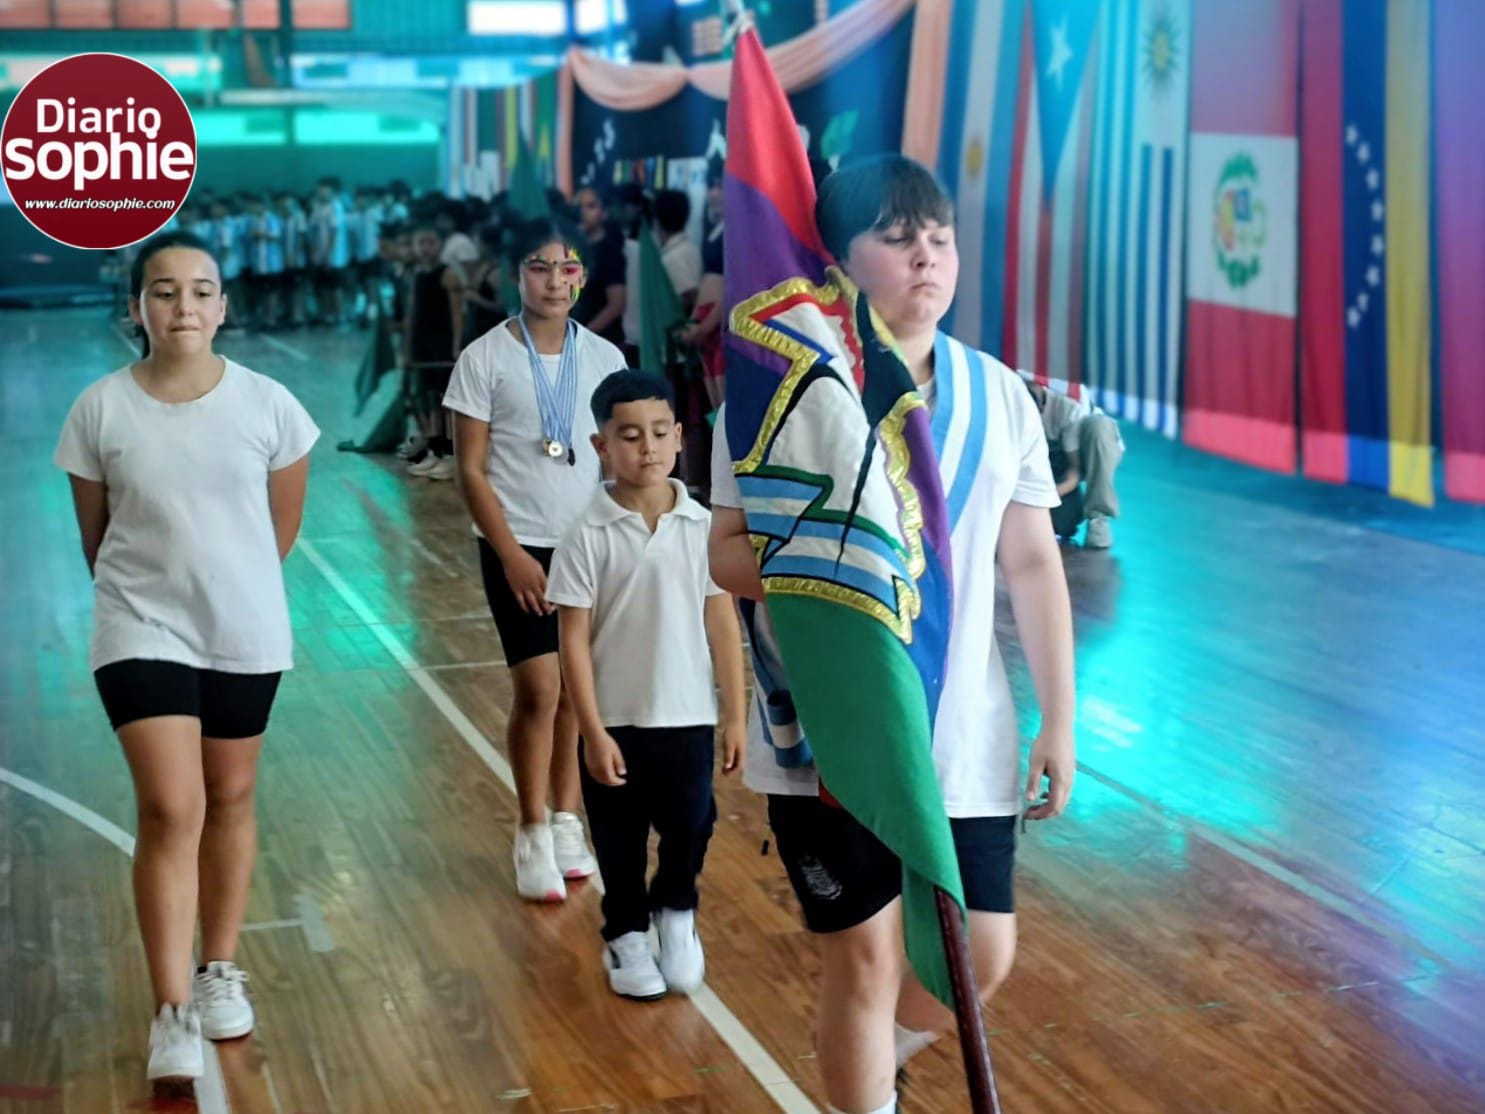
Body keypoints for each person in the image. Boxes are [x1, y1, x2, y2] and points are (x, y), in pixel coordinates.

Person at [709, 155, 1077, 1114]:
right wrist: (835, 569)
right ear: (840, 257)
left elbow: (1033, 563)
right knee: (864, 964)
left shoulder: (998, 395)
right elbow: (724, 553)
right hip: (835, 729)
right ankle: (862, 1087)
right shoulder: (774, 396)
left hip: (966, 733)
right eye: (896, 236)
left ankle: (871, 1061)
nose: (926, 256)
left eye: (940, 237)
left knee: (976, 959)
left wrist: (1058, 721)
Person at [54, 231, 318, 1086]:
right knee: (173, 806)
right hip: (139, 627)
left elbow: (278, 531)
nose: (183, 307)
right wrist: (153, 597)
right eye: (163, 292)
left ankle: (218, 970)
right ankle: (172, 1012)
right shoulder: (99, 409)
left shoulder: (270, 406)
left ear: (224, 306)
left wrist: (228, 583)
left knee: (232, 797)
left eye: (200, 291)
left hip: (243, 628)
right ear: (137, 307)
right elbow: (97, 540)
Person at [546, 369, 746, 1000]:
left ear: (681, 437)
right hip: (616, 721)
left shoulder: (701, 526)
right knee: (618, 836)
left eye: (660, 432)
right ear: (603, 446)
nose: (648, 448)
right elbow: (572, 639)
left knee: (692, 823)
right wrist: (590, 729)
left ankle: (676, 911)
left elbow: (721, 620)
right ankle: (627, 932)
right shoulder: (585, 535)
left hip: (685, 715)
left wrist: (734, 714)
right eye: (630, 436)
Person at [442, 220, 626, 902]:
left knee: (579, 693)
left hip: (588, 547)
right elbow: (469, 470)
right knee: (539, 690)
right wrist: (511, 554)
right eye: (540, 267)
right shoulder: (484, 359)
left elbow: (616, 459)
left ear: (581, 276)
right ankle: (528, 828)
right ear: (514, 274)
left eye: (567, 268)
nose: (555, 280)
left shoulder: (605, 358)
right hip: (516, 543)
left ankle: (565, 816)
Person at [1023, 377, 1124, 548]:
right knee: (1062, 524)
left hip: (1079, 455)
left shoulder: (1069, 400)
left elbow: (1074, 472)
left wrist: (1040, 499)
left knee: (1098, 426)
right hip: (1042, 458)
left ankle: (1098, 516)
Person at [402, 217, 465, 481]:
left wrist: (456, 346)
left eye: (430, 242)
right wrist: (407, 349)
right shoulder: (417, 275)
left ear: (439, 244)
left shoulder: (447, 274)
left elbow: (457, 314)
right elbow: (413, 314)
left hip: (441, 344)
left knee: (445, 401)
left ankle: (451, 455)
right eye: (421, 243)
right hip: (422, 344)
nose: (425, 247)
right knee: (429, 399)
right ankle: (436, 451)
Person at [570, 186, 628, 347]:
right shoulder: (573, 250)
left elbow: (617, 304)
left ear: (603, 212)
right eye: (579, 207)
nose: (583, 212)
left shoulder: (609, 251)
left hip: (602, 341)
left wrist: (585, 333)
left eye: (591, 206)